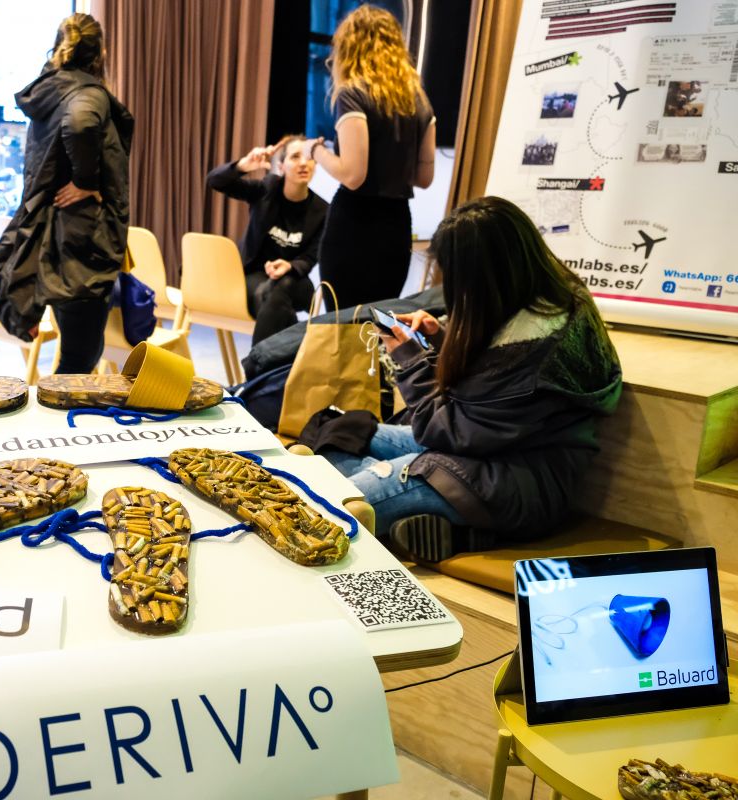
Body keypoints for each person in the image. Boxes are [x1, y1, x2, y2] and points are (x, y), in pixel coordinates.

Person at [322, 197, 622, 562]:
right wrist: (441, 339)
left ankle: (463, 528)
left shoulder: (532, 352)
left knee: (330, 510)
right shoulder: (543, 303)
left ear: (481, 278)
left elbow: (445, 429)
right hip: (480, 456)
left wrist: (411, 361)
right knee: (339, 434)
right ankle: (442, 524)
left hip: (517, 483)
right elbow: (480, 396)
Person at [0, 12, 134, 373]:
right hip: (80, 242)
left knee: (75, 355)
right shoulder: (87, 94)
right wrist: (87, 182)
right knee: (79, 360)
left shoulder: (52, 92)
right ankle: (55, 410)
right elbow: (81, 123)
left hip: (57, 236)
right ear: (100, 52)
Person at [312, 5, 436, 309]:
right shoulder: (418, 101)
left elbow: (353, 175)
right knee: (379, 324)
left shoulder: (352, 94)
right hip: (395, 226)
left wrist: (316, 151)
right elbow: (424, 178)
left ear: (349, 46)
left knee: (342, 324)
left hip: (354, 226)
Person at [206, 135, 328, 345]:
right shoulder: (266, 190)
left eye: (308, 157)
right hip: (255, 277)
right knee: (276, 299)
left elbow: (311, 257)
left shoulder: (323, 210)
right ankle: (278, 357)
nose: (303, 163)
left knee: (282, 286)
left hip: (296, 280)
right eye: (295, 157)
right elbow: (215, 181)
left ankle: (258, 363)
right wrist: (243, 165)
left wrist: (290, 266)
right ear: (281, 167)